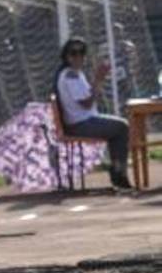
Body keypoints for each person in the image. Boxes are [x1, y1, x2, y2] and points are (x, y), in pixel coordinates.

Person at [54, 38, 131, 189]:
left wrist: (96, 82)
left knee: (118, 127)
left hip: (84, 120)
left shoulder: (76, 73)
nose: (78, 57)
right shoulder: (70, 75)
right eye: (73, 53)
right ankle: (119, 172)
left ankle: (117, 170)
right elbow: (87, 103)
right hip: (79, 124)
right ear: (66, 56)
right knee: (122, 127)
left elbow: (88, 98)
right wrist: (98, 80)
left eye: (81, 53)